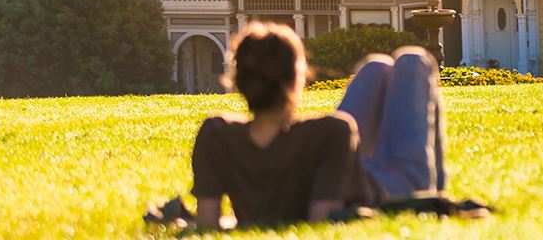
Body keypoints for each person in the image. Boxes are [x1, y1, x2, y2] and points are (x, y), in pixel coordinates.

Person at [187, 22, 452, 229]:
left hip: (345, 172)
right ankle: (434, 187)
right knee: (412, 60)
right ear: (295, 81)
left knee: (376, 66)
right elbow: (322, 219)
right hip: (390, 189)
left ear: (238, 82)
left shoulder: (216, 132)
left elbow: (208, 222)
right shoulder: (332, 130)